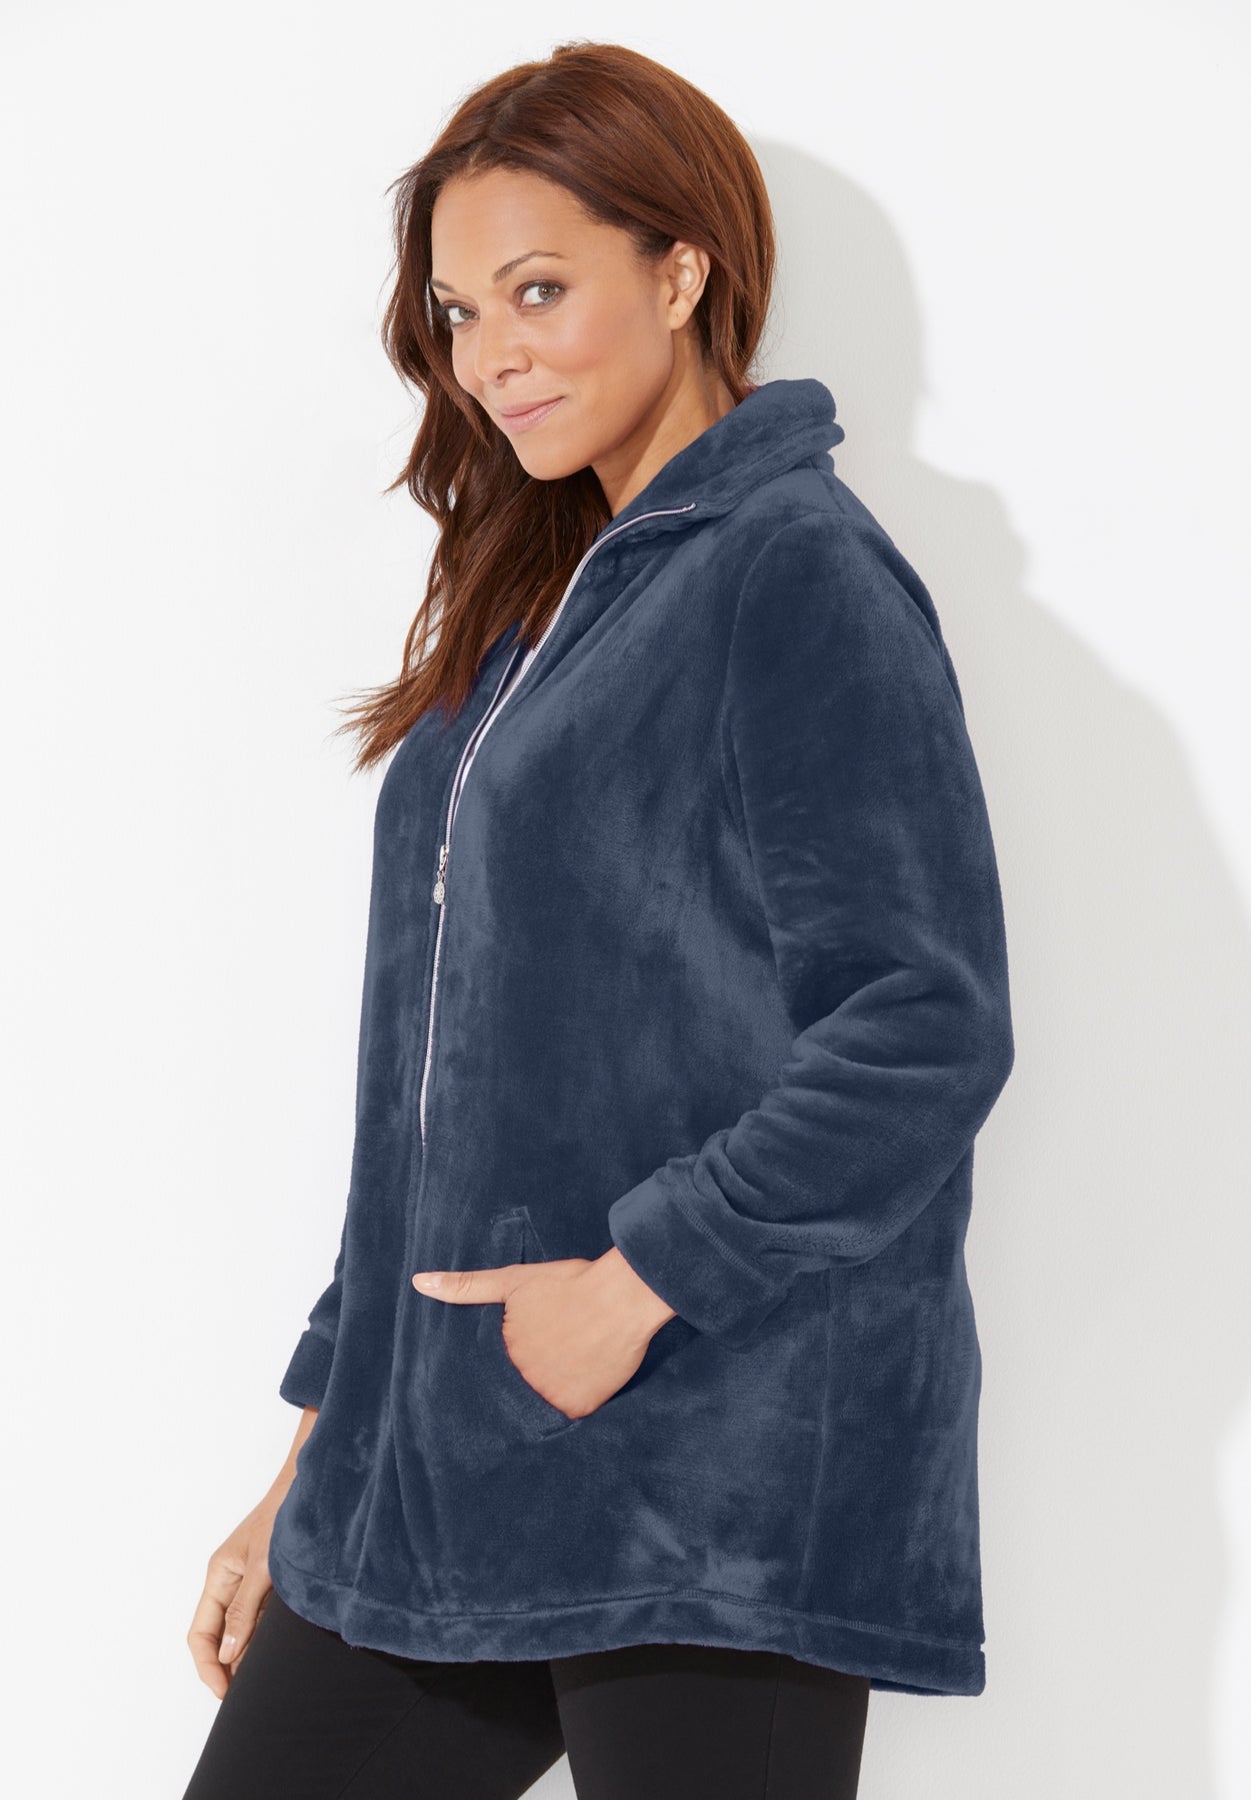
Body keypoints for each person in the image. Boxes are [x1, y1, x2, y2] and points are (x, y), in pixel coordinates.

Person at [181, 39, 1015, 1800]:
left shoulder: (795, 568)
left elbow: (924, 1022)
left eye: (538, 290)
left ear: (682, 271)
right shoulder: (532, 621)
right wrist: (315, 1470)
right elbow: (436, 1088)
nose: (491, 353)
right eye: (458, 312)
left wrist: (640, 1285)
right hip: (448, 1474)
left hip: (717, 1472)